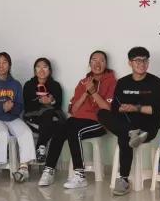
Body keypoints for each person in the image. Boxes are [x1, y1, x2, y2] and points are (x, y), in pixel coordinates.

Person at [39, 50, 116, 189]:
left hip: (99, 122)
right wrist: (85, 93)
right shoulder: (83, 82)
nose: (97, 63)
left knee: (74, 131)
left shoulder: (112, 82)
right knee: (60, 129)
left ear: (106, 64)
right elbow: (73, 110)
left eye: (101, 60)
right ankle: (49, 170)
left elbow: (108, 109)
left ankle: (80, 175)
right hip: (78, 120)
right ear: (89, 63)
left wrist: (93, 92)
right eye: (94, 60)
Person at [97, 46, 160, 196]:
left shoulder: (156, 82)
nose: (142, 63)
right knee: (102, 114)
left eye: (145, 60)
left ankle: (123, 179)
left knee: (124, 137)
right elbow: (114, 108)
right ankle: (131, 133)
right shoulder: (122, 82)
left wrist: (136, 108)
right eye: (137, 60)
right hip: (128, 124)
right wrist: (121, 108)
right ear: (130, 63)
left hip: (148, 127)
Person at [0, 51, 35, 183]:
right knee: (1, 132)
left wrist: (11, 108)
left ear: (9, 65)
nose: (1, 65)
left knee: (26, 132)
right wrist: (1, 108)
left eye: (4, 62)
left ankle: (23, 169)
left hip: (10, 116)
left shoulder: (15, 84)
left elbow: (20, 106)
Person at [22, 57, 64, 164]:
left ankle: (40, 147)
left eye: (45, 67)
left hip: (49, 118)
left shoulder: (55, 85)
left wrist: (52, 100)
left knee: (51, 116)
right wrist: (40, 101)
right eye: (38, 67)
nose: (41, 70)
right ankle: (43, 153)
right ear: (35, 70)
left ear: (49, 70)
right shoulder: (29, 85)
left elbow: (58, 104)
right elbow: (27, 105)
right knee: (52, 120)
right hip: (33, 118)